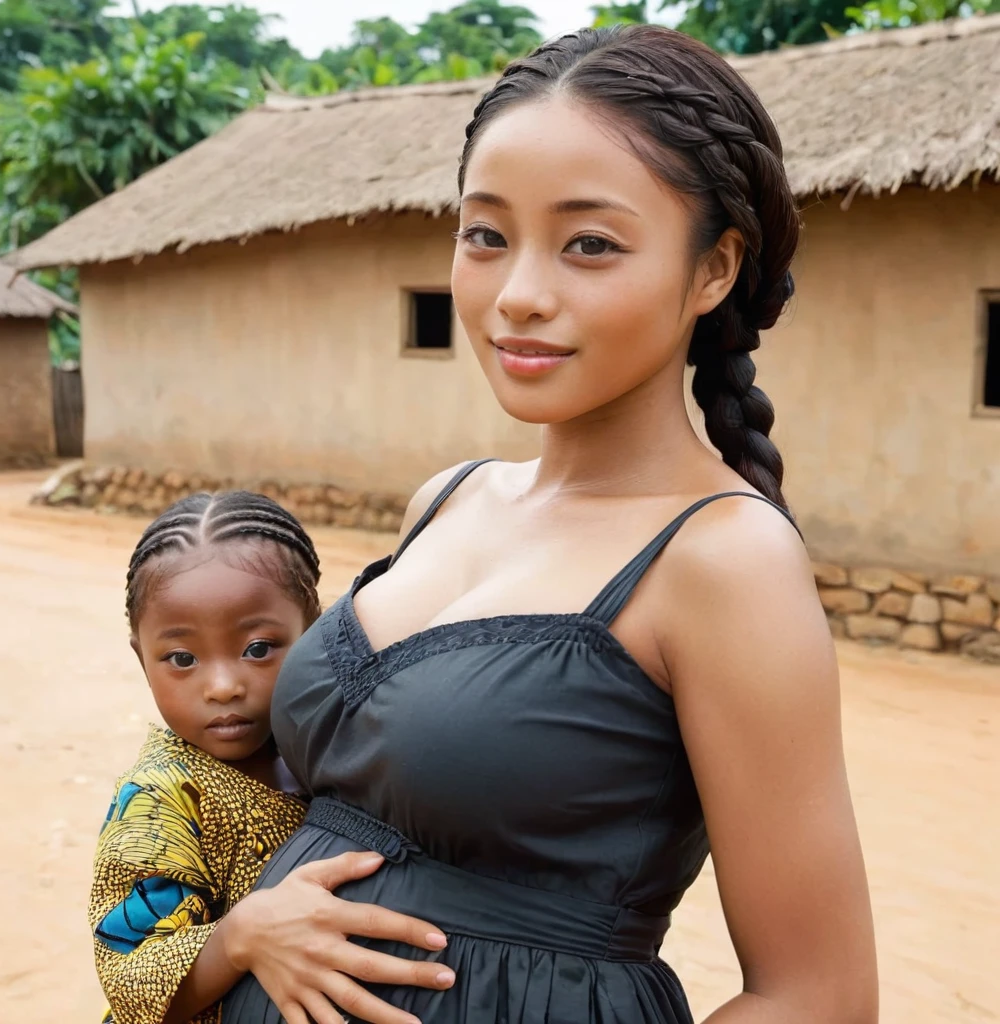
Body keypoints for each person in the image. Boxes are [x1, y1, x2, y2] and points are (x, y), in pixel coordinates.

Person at [219, 24, 879, 1024]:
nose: (519, 295)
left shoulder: (720, 563)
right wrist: (237, 935)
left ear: (713, 269)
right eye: (486, 235)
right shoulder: (448, 497)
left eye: (590, 245)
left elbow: (818, 997)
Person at [89, 491, 322, 1024]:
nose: (221, 687)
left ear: (315, 630)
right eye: (183, 659)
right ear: (141, 658)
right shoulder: (160, 800)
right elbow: (131, 976)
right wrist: (240, 936)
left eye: (258, 648)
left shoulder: (334, 751)